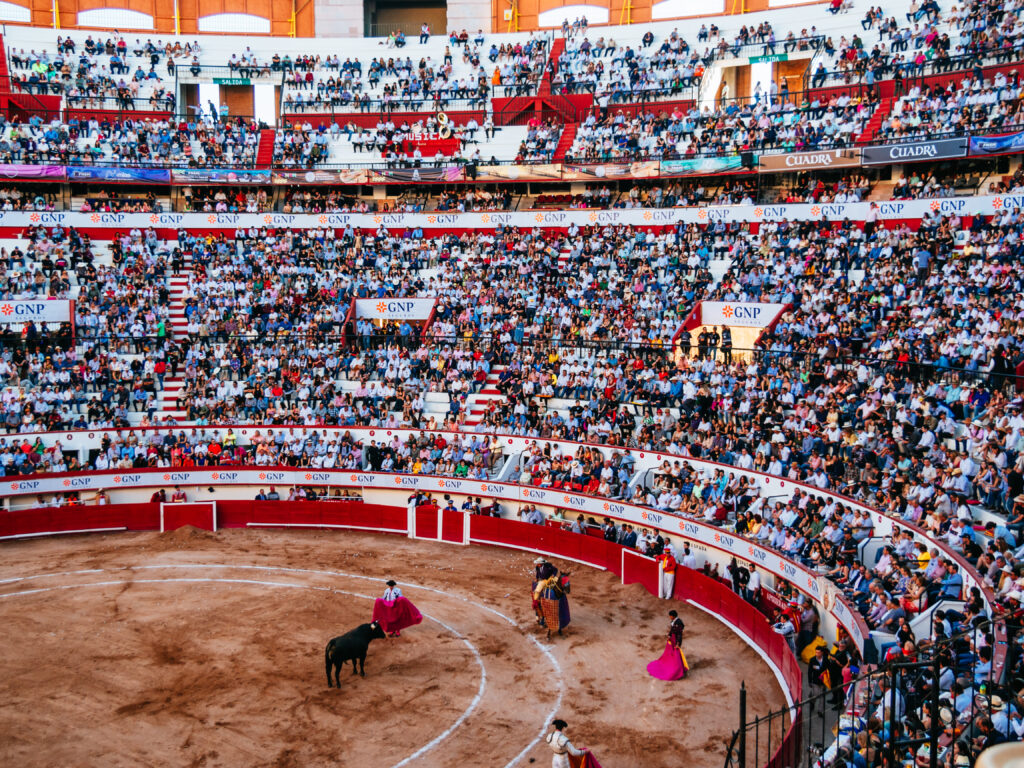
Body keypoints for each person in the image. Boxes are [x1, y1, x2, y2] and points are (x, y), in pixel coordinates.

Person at [648, 610, 689, 680]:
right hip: (673, 638)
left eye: (670, 616)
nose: (669, 617)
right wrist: (670, 635)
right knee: (673, 653)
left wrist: (678, 643)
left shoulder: (679, 623)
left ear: (673, 616)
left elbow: (679, 634)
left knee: (676, 654)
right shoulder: (674, 621)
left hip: (676, 640)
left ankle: (678, 670)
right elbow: (672, 629)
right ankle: (677, 667)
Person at [534, 571, 571, 639]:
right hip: (544, 581)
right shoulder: (540, 570)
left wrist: (551, 577)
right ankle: (537, 602)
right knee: (538, 592)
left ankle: (559, 629)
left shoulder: (549, 569)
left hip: (550, 580)